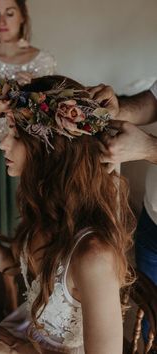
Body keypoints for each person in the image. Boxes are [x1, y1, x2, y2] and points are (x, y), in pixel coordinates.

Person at [0, 75, 135, 354]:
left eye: (15, 135)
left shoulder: (94, 256)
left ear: (51, 151)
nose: (3, 145)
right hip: (27, 335)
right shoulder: (48, 208)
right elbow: (13, 263)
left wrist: (12, 347)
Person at [0, 0, 56, 312]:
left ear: (22, 15)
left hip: (28, 152)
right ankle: (9, 290)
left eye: (9, 12)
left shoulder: (42, 62)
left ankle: (35, 285)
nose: (2, 20)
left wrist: (23, 97)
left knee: (27, 218)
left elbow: (47, 115)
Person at [89, 80, 157, 343]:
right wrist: (117, 109)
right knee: (151, 314)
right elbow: (153, 101)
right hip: (152, 217)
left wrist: (149, 148)